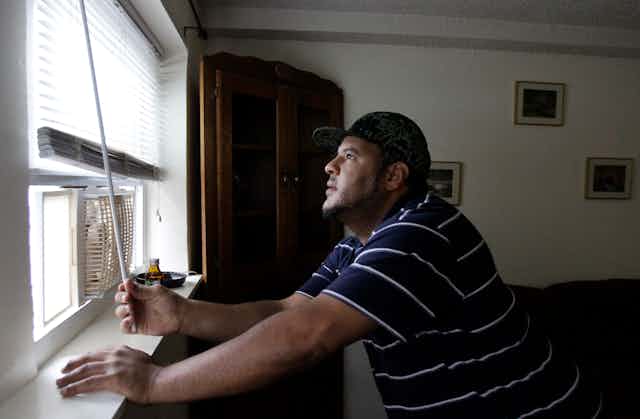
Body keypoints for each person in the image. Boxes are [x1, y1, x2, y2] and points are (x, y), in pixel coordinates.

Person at [56, 112, 602, 418]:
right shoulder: (360, 242)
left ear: (393, 177)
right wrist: (179, 315)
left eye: (349, 155)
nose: (328, 166)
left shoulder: (421, 231)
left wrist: (155, 383)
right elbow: (286, 309)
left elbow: (305, 336)